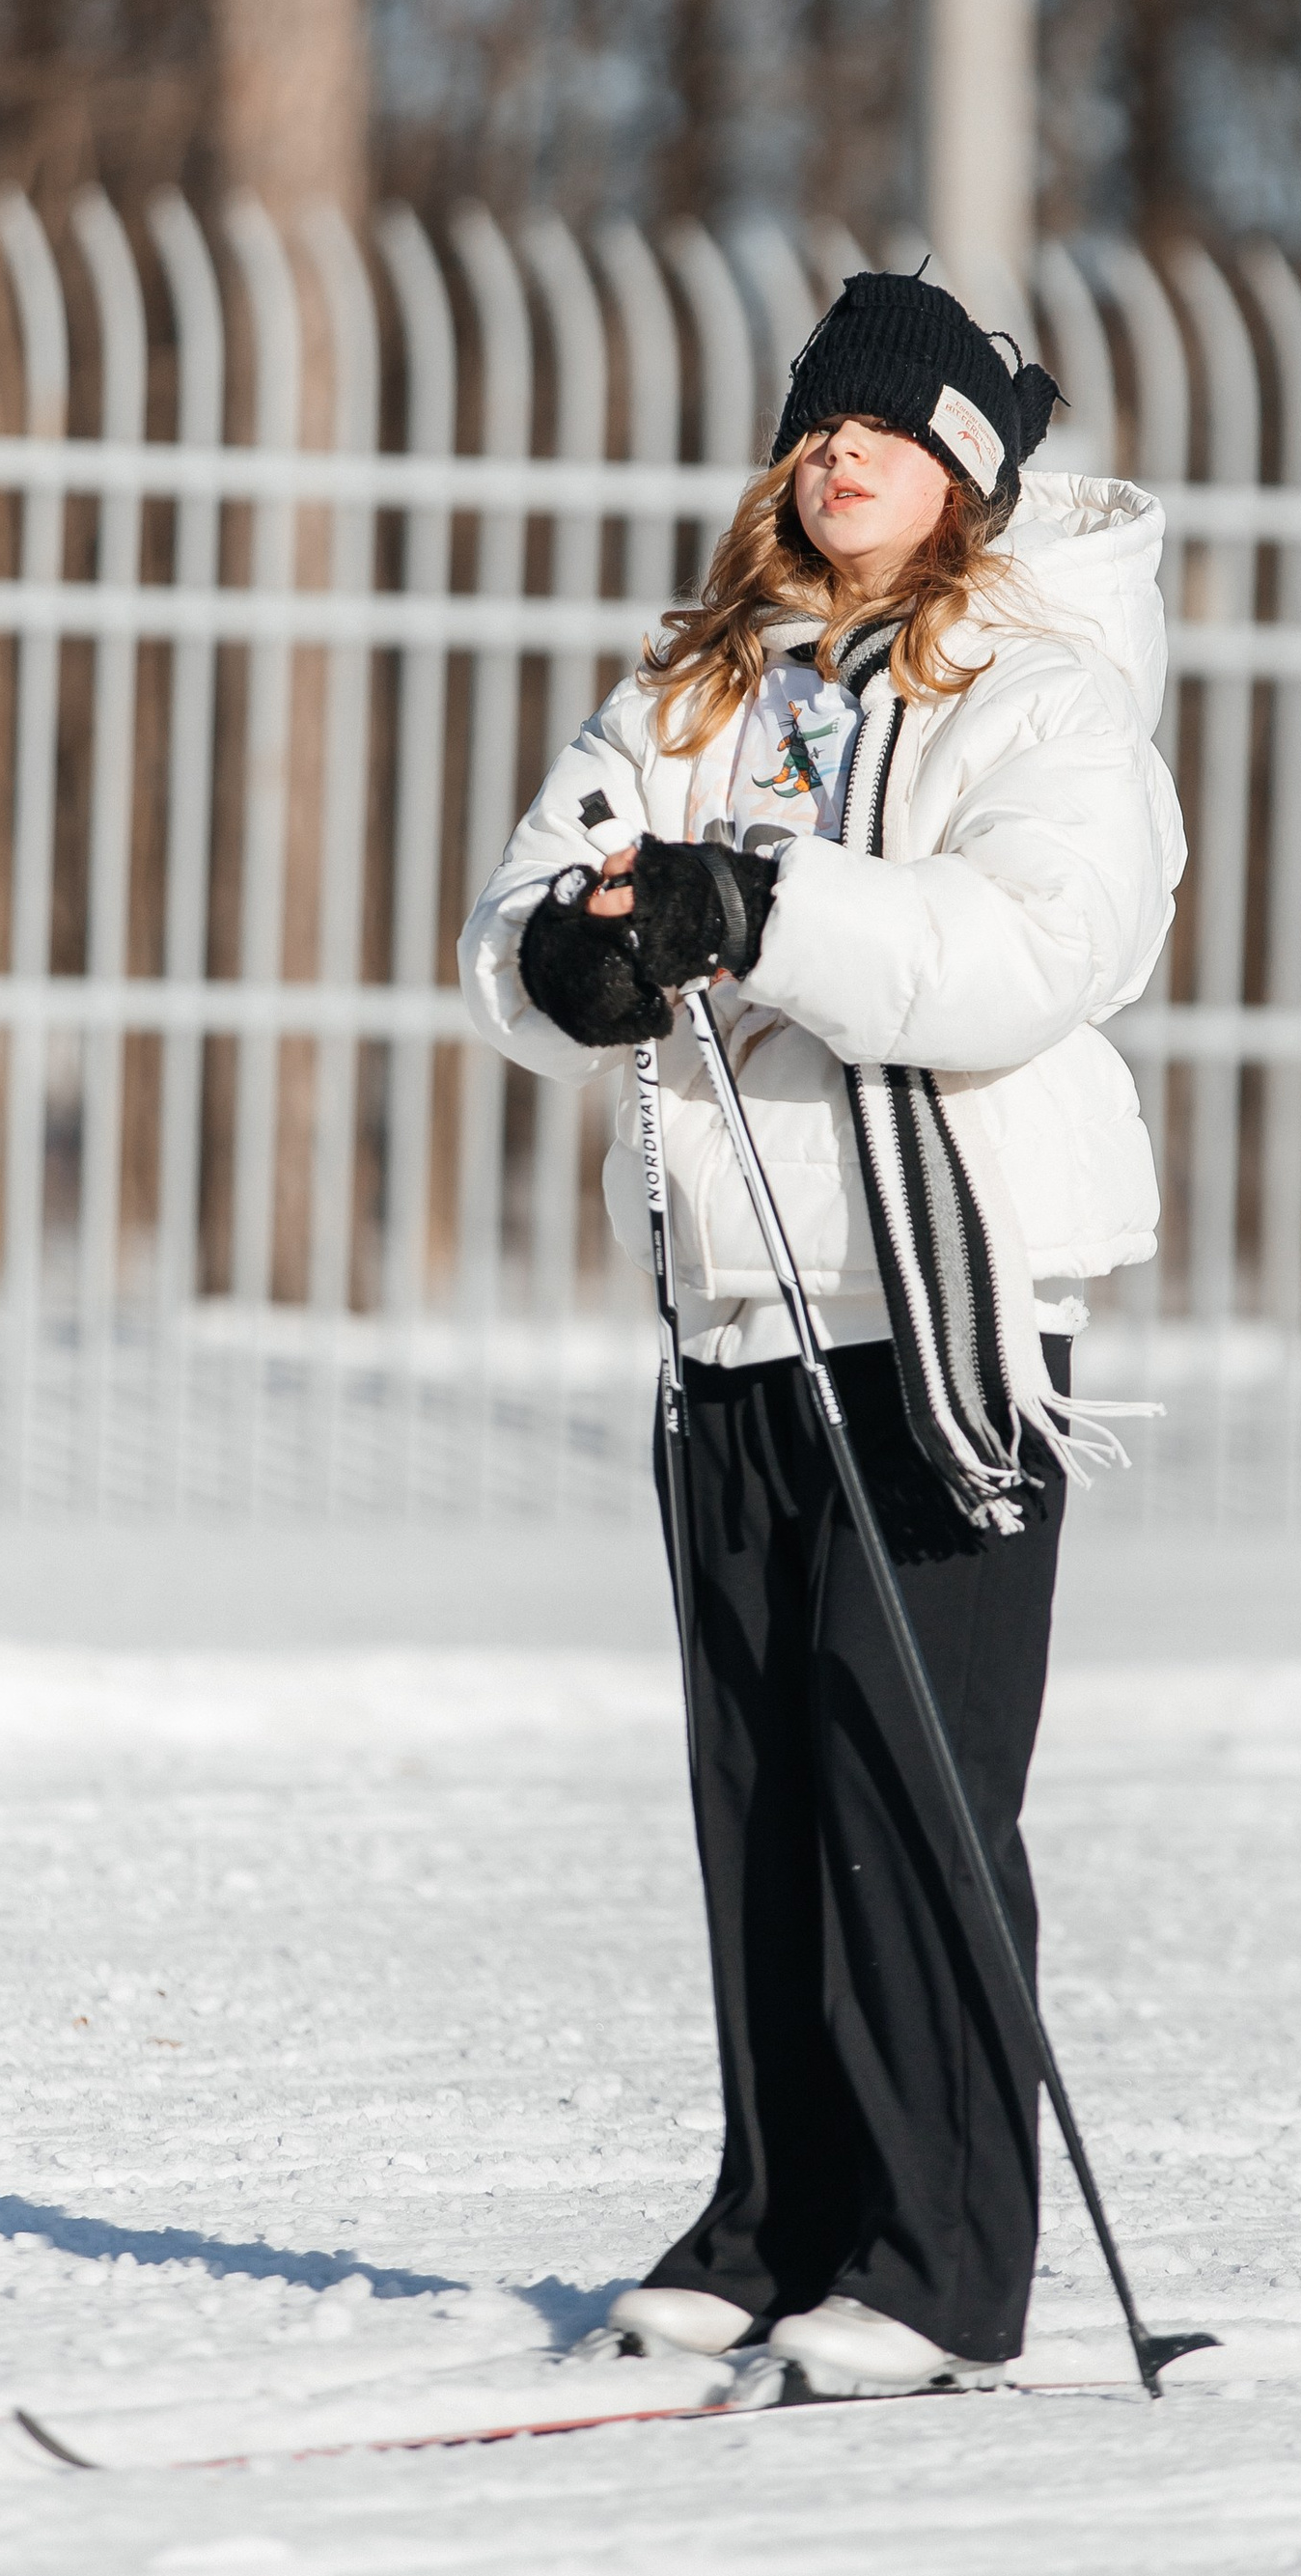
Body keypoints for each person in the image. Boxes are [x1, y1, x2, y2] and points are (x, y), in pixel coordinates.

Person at [457, 270, 1184, 2397]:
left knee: (909, 1780)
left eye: (884, 428)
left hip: (935, 1306)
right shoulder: (699, 687)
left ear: (967, 470)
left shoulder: (1046, 695)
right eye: (814, 424)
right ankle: (776, 2211)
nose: (834, 452)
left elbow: (1028, 951)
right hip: (734, 1297)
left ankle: (940, 2254)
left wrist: (763, 910)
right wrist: (571, 968)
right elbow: (531, 909)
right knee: (760, 1777)